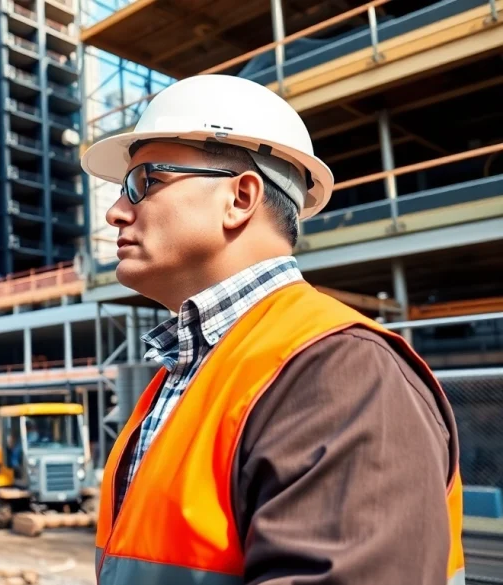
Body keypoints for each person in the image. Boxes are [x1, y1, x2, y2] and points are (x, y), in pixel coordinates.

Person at [81, 74, 464, 584]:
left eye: (143, 182)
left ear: (241, 197)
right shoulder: (195, 371)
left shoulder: (339, 371)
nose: (115, 211)